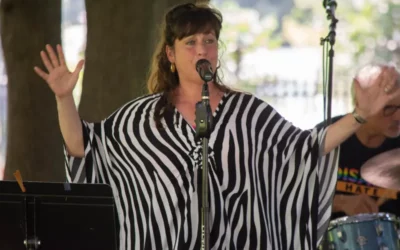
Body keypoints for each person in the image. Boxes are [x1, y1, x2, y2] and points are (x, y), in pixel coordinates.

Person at [33, 3, 400, 250]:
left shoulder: (248, 112)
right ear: (171, 55)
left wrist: (360, 116)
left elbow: (305, 148)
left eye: (209, 41)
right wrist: (64, 98)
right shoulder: (141, 117)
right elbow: (84, 148)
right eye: (190, 42)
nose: (202, 50)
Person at [318, 63, 400, 220]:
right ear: (359, 103)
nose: (398, 117)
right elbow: (287, 192)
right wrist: (340, 202)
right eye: (388, 108)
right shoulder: (331, 135)